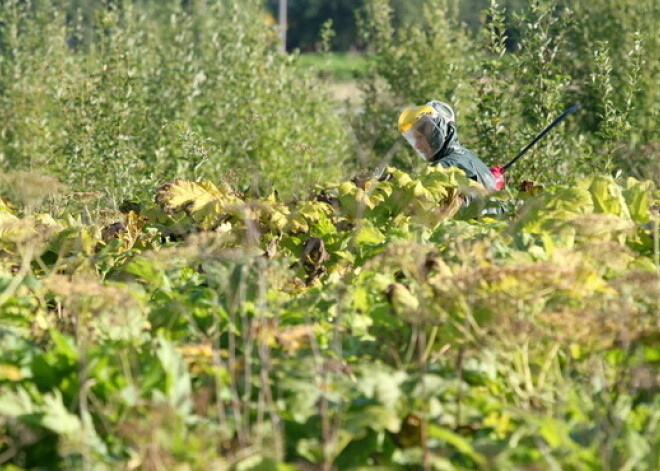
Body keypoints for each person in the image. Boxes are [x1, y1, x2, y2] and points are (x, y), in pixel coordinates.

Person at [398, 100, 499, 192]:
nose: (417, 145)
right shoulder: (470, 157)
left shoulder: (445, 166)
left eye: (420, 137)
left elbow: (420, 202)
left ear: (436, 134)